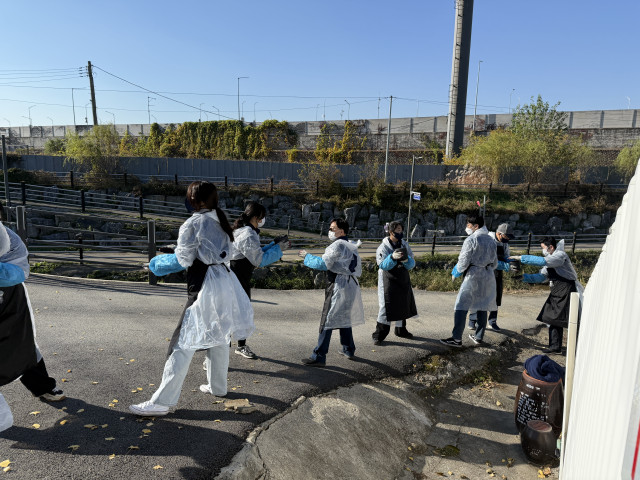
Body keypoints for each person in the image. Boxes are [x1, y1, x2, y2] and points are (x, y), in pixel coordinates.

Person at [130, 181, 254, 416]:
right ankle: (218, 387)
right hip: (224, 282)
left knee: (182, 340)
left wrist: (155, 265)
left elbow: (183, 258)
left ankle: (162, 401)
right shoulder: (221, 220)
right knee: (219, 335)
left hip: (204, 285)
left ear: (195, 200)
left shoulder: (194, 223)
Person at [0, 222, 65, 426]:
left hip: (8, 298)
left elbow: (19, 270)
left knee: (22, 341)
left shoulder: (7, 236)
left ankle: (42, 386)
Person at [298, 218, 365, 366]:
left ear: (341, 231)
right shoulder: (351, 245)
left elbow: (324, 264)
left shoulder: (338, 245)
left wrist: (307, 256)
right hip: (351, 284)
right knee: (344, 316)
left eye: (332, 228)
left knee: (327, 318)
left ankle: (319, 355)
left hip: (338, 284)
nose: (330, 231)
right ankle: (348, 349)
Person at [229, 201, 291, 359]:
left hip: (237, 277)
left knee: (240, 312)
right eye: (262, 217)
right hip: (236, 278)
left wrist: (273, 245)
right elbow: (259, 260)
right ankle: (217, 355)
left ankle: (239, 346)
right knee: (232, 314)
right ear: (256, 217)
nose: (263, 220)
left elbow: (254, 253)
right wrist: (279, 249)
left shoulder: (245, 230)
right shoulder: (247, 234)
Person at [510, 237, 583, 354]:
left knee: (570, 319)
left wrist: (521, 258)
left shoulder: (560, 256)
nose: (542, 251)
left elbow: (542, 261)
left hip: (567, 291)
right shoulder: (550, 259)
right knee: (551, 318)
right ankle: (555, 347)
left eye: (543, 248)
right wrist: (524, 277)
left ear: (551, 247)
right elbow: (541, 276)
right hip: (557, 291)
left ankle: (575, 347)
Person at [441, 214, 498, 347]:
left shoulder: (471, 239)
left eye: (468, 225)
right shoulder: (491, 240)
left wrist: (456, 272)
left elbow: (463, 261)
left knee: (461, 306)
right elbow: (495, 263)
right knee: (482, 306)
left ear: (476, 226)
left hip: (473, 275)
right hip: (487, 275)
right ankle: (478, 337)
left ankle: (456, 339)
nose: (467, 227)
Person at [372, 220, 417, 345]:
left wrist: (407, 260)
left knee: (402, 303)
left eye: (401, 230)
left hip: (402, 276)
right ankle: (379, 334)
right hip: (388, 278)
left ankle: (400, 330)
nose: (400, 232)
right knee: (385, 306)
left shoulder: (404, 244)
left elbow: (412, 262)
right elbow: (382, 265)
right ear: (391, 232)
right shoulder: (383, 247)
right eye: (397, 230)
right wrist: (392, 258)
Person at [467, 223, 517, 332]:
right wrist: (504, 265)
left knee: (496, 297)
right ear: (499, 234)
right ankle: (472, 320)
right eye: (506, 237)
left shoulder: (504, 243)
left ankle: (492, 322)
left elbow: (506, 255)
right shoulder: (487, 239)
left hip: (497, 273)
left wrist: (511, 261)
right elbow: (486, 258)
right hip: (483, 271)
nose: (507, 239)